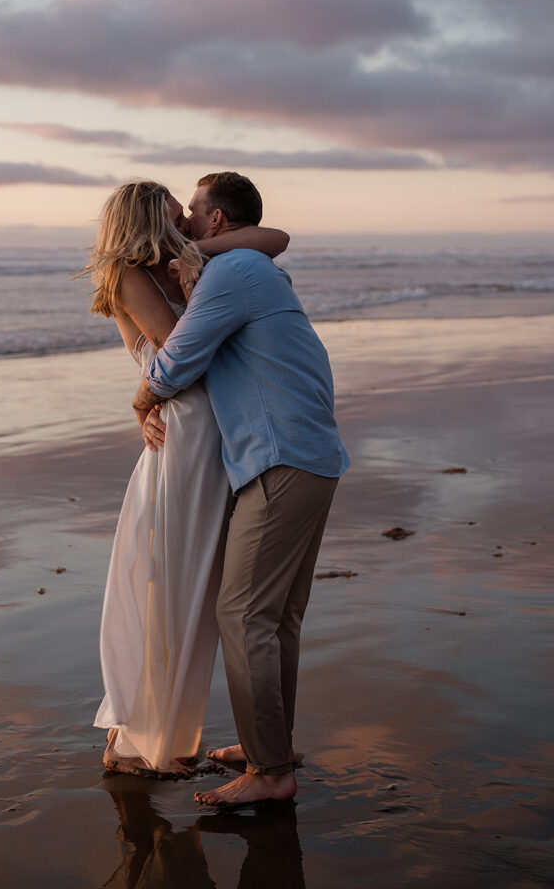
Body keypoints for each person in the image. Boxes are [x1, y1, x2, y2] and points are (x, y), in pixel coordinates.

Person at [133, 171, 349, 806]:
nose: (185, 226)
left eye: (192, 213)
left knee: (244, 613)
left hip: (280, 458)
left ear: (217, 221)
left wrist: (140, 399)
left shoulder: (230, 275)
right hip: (309, 455)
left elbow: (177, 362)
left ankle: (271, 771)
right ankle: (270, 746)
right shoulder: (253, 268)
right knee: (277, 617)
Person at [85, 179, 289, 775]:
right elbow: (181, 350)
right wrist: (141, 401)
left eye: (188, 217)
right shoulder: (129, 274)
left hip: (209, 429)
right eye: (174, 218)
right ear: (148, 221)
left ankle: (170, 734)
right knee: (172, 581)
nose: (184, 227)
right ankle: (135, 741)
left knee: (198, 587)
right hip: (185, 434)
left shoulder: (179, 265)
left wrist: (195, 263)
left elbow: (276, 237)